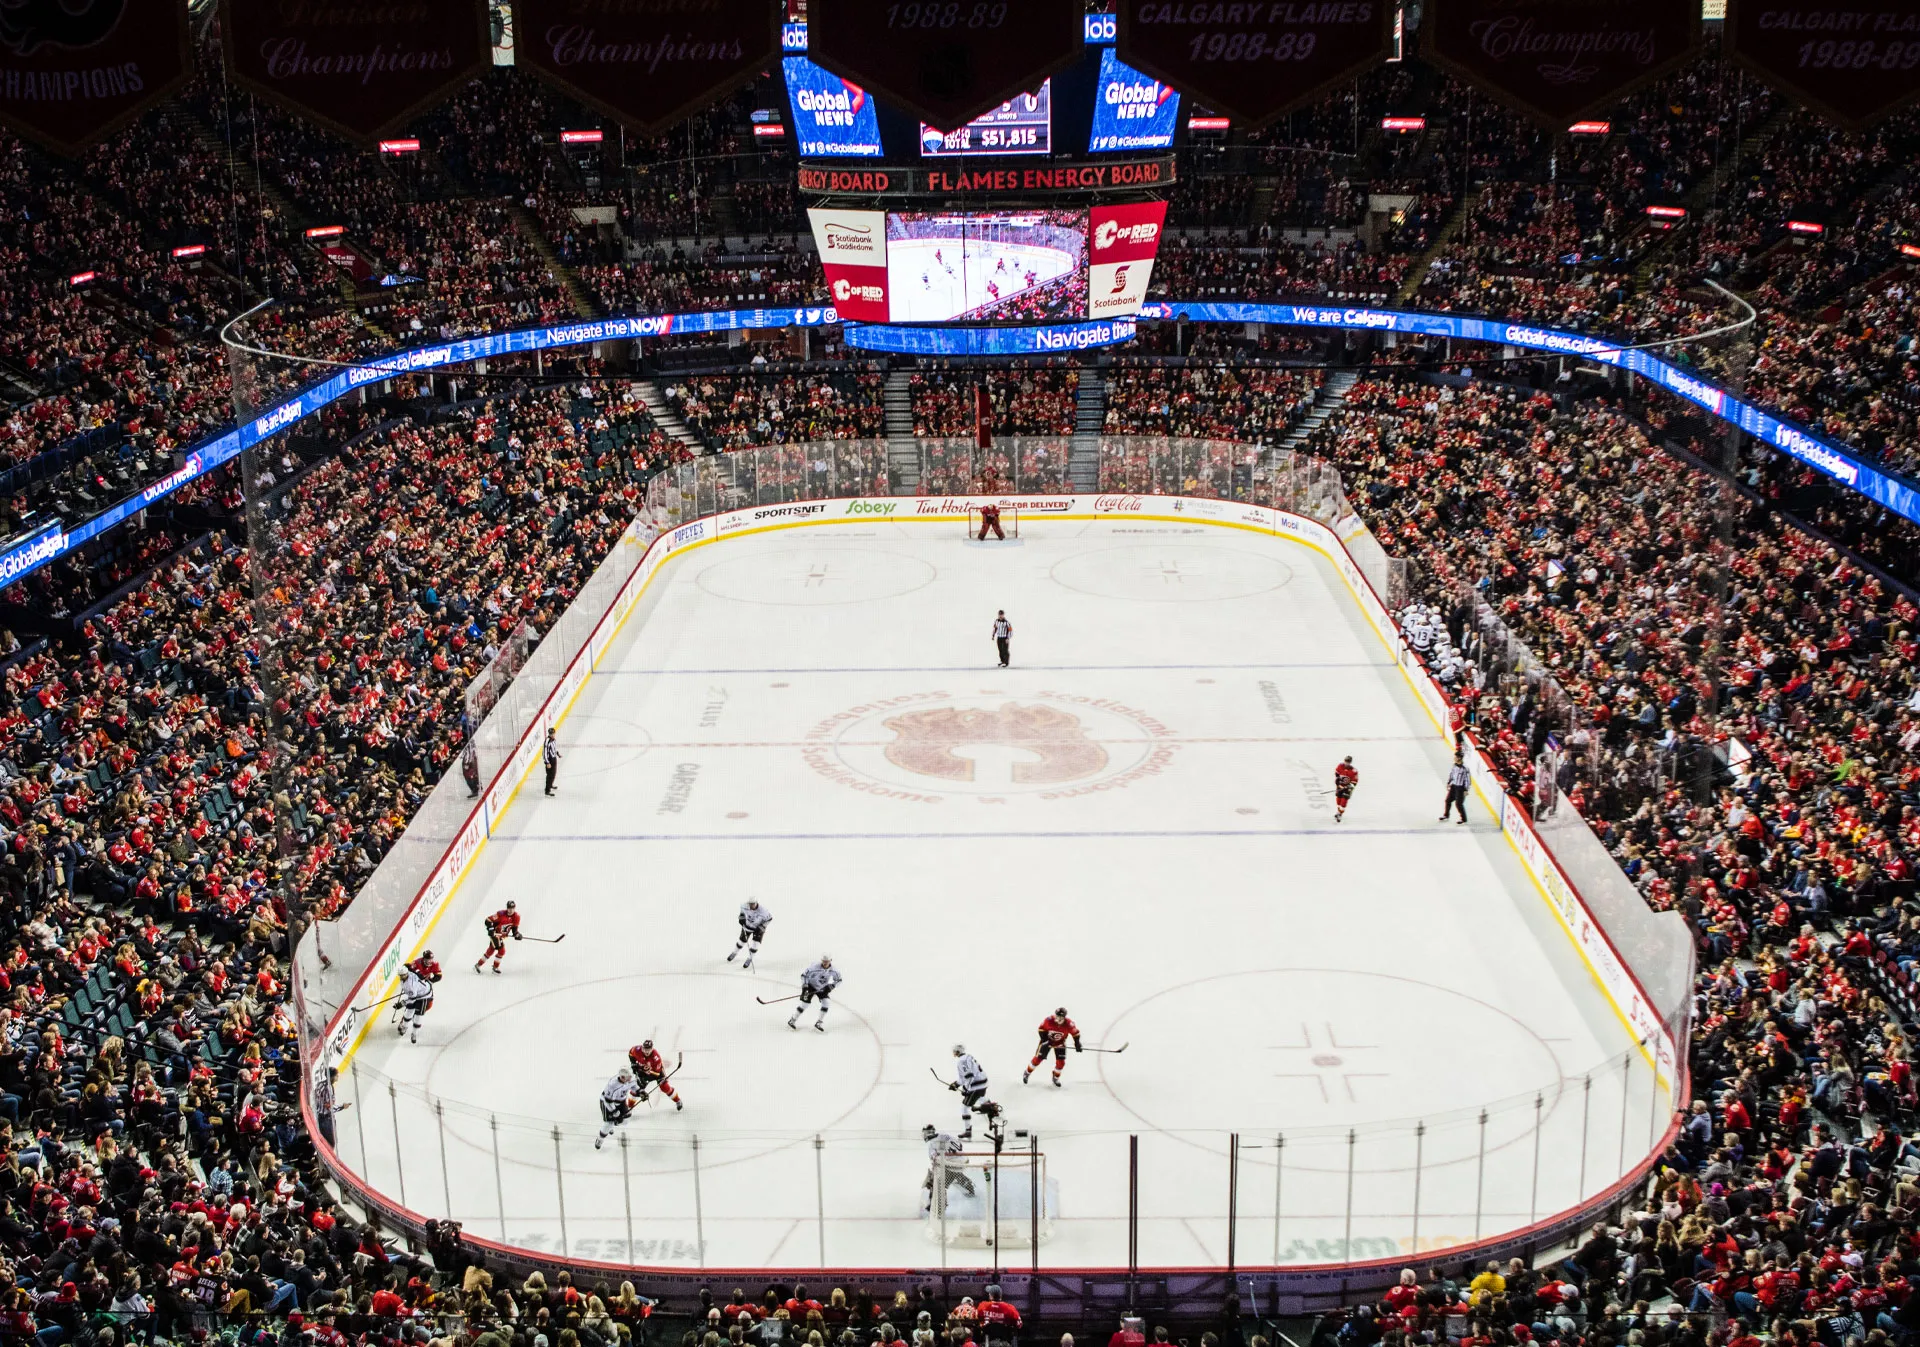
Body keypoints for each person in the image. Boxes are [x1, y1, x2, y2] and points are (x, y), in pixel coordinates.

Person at [1023, 1007, 1082, 1086]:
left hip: (1060, 1043)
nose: (1059, 1019)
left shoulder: (1069, 1023)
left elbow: (1075, 1033)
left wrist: (1077, 1043)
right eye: (1057, 1016)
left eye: (1061, 1017)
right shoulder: (1049, 1020)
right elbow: (1041, 1029)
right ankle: (1027, 1073)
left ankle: (1055, 1077)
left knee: (1061, 1063)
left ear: (1065, 1017)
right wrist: (1045, 1040)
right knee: (1038, 1059)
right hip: (1047, 1042)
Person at [788, 956, 842, 1031]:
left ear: (830, 960)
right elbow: (804, 975)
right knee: (805, 1004)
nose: (825, 963)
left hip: (822, 988)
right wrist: (805, 986)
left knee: (826, 1003)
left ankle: (819, 1022)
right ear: (821, 960)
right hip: (810, 986)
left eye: (827, 961)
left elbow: (839, 980)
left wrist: (831, 986)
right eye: (824, 961)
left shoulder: (834, 970)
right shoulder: (814, 967)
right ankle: (792, 1020)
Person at [627, 1039, 682, 1111]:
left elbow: (656, 1073)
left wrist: (644, 1078)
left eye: (648, 1049)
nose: (646, 1051)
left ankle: (678, 1101)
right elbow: (631, 1053)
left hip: (657, 1073)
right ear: (642, 1048)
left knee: (664, 1087)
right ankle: (629, 1107)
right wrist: (633, 1063)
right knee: (636, 1090)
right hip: (643, 1072)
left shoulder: (656, 1057)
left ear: (652, 1049)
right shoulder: (637, 1050)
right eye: (645, 1049)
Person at [949, 1044, 990, 1138]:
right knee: (980, 1097)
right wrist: (956, 1084)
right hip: (983, 1082)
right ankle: (991, 1108)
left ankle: (968, 1131)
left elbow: (969, 1076)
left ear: (957, 1052)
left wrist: (966, 1089)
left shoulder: (961, 1061)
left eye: (954, 1051)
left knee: (964, 1107)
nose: (953, 1053)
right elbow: (966, 1077)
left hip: (976, 1085)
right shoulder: (968, 1056)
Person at [594, 1069, 640, 1149]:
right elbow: (608, 1101)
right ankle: (600, 1139)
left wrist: (641, 1092)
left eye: (630, 1076)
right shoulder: (613, 1085)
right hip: (607, 1102)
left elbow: (634, 1087)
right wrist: (615, 1112)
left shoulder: (630, 1078)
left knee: (626, 1118)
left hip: (621, 1101)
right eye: (628, 1077)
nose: (630, 1078)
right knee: (609, 1123)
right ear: (622, 1077)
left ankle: (613, 1124)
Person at [475, 901, 521, 974]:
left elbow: (514, 928)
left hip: (500, 936)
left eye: (512, 908)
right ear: (507, 908)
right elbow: (488, 920)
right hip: (495, 935)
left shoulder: (516, 917)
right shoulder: (501, 914)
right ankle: (495, 967)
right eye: (509, 908)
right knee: (501, 951)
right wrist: (491, 929)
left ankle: (478, 965)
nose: (511, 910)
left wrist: (517, 934)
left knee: (491, 950)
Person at [728, 899, 772, 969]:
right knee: (741, 942)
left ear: (756, 903)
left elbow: (769, 919)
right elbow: (742, 913)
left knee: (755, 944)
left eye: (753, 904)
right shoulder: (744, 906)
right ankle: (734, 953)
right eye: (750, 904)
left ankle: (750, 958)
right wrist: (741, 918)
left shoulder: (763, 911)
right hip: (747, 926)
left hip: (758, 928)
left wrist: (761, 927)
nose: (751, 905)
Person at [1441, 753, 1470, 824]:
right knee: (1448, 800)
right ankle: (1446, 815)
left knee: (1458, 804)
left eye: (1456, 757)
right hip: (1453, 786)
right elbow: (1451, 774)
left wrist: (1466, 789)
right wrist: (1449, 783)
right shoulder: (1454, 765)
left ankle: (1464, 819)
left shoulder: (1465, 768)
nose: (1454, 758)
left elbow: (1467, 779)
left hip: (1461, 788)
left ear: (1459, 758)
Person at [1333, 756, 1358, 822]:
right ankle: (1338, 812)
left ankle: (1340, 814)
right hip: (1340, 786)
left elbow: (1354, 782)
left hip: (1348, 789)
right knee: (1338, 801)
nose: (1347, 763)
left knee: (1343, 802)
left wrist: (1349, 786)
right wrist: (1338, 785)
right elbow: (1337, 776)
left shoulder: (1354, 771)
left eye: (1348, 762)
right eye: (1346, 761)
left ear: (1350, 762)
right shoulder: (1340, 766)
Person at [543, 727, 561, 796]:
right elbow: (544, 753)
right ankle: (547, 790)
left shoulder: (554, 740)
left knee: (553, 774)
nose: (552, 735)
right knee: (550, 775)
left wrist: (557, 753)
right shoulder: (547, 741)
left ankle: (550, 785)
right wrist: (547, 762)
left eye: (553, 733)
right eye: (551, 734)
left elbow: (554, 748)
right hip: (549, 760)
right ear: (549, 734)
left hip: (554, 759)